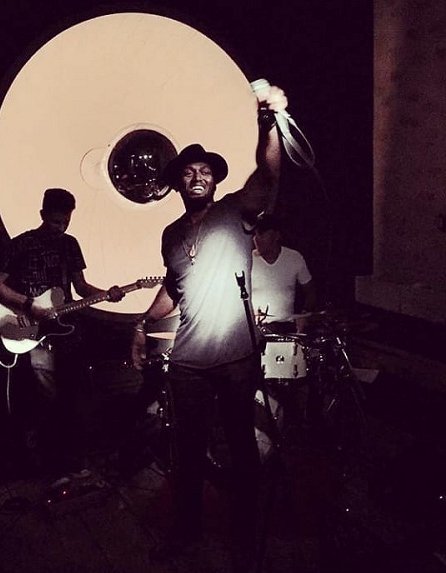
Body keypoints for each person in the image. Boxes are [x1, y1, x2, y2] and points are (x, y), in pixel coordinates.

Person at [131, 83, 288, 570]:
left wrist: (267, 123)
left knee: (241, 449)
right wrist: (141, 323)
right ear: (178, 183)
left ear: (215, 181)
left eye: (204, 171)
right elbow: (174, 288)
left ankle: (245, 540)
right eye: (188, 172)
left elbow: (268, 173)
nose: (197, 177)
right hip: (188, 362)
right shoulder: (171, 234)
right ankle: (186, 532)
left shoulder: (236, 210)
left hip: (237, 356)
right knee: (188, 452)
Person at [0, 187, 125, 477]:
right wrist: (28, 305)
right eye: (55, 221)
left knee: (75, 395)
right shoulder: (20, 244)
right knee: (46, 397)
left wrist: (107, 293)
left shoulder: (70, 245)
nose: (60, 227)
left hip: (68, 332)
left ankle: (73, 459)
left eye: (65, 222)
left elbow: (80, 287)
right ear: (42, 214)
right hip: (34, 332)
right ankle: (47, 461)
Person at [251, 213, 316, 334]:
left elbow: (310, 291)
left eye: (262, 234)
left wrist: (304, 314)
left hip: (285, 328)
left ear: (276, 236)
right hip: (254, 329)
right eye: (255, 234)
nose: (256, 239)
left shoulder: (294, 257)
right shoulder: (247, 260)